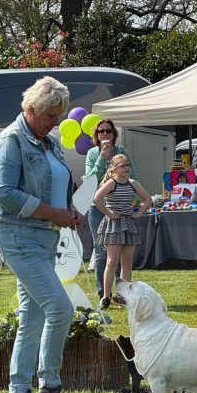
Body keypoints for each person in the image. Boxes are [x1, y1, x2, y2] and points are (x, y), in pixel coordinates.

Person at [0, 76, 84, 393]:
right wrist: (51, 212)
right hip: (18, 236)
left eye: (57, 117)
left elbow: (58, 182)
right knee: (60, 308)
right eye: (49, 116)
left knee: (33, 315)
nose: (54, 122)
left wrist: (68, 209)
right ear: (30, 109)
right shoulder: (11, 141)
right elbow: (4, 193)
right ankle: (49, 392)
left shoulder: (50, 142)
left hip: (43, 237)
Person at [84, 118, 136, 301]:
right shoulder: (92, 153)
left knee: (123, 255)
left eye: (108, 131)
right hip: (98, 209)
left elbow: (134, 176)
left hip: (120, 210)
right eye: (101, 131)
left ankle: (122, 295)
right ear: (97, 136)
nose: (104, 134)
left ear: (114, 134)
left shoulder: (121, 152)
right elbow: (89, 180)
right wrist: (101, 160)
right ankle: (103, 295)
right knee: (101, 252)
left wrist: (132, 203)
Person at [92, 154, 152, 309]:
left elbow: (148, 199)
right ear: (115, 168)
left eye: (128, 165)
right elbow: (97, 199)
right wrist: (109, 214)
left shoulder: (133, 183)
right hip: (113, 224)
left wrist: (138, 213)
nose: (127, 168)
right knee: (111, 261)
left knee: (127, 262)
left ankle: (123, 296)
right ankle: (106, 296)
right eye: (123, 166)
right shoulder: (111, 183)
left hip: (128, 223)